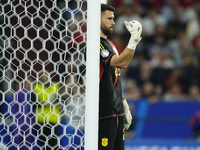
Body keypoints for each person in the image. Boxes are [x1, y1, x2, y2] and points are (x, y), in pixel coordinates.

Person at [85, 4, 142, 150]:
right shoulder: (94, 44)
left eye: (114, 18)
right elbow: (121, 62)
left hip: (117, 111)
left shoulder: (110, 44)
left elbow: (114, 76)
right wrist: (134, 40)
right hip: (104, 112)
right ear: (97, 20)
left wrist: (123, 102)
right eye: (109, 18)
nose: (113, 22)